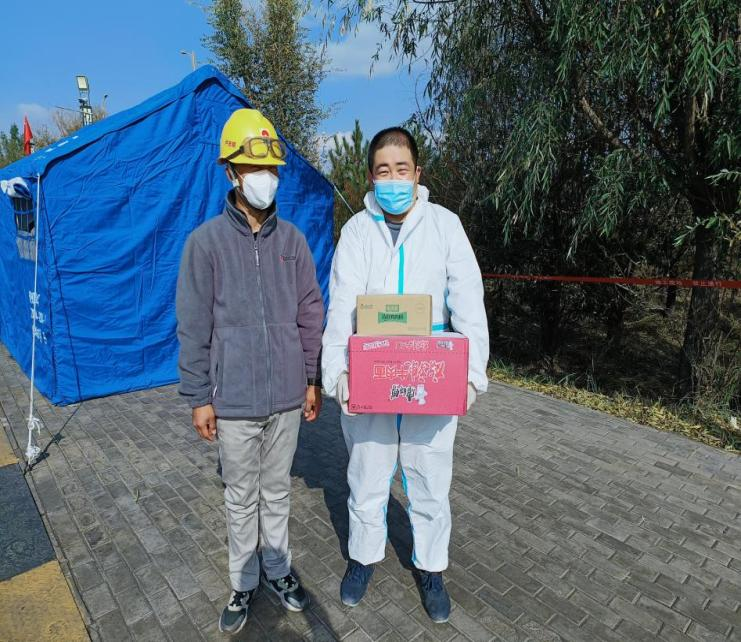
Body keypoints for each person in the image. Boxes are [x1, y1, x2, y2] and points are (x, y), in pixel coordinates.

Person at [322, 127, 489, 623]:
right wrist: (338, 373)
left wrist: (470, 376)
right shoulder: (357, 232)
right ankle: (363, 558)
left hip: (430, 373)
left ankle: (431, 567)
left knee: (430, 476)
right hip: (370, 374)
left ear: (417, 173)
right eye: (382, 170)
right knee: (366, 473)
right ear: (370, 178)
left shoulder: (445, 226)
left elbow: (469, 302)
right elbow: (341, 308)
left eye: (401, 169)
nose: (392, 179)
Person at [176, 108, 324, 635]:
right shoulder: (205, 243)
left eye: (272, 168)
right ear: (231, 172)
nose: (266, 178)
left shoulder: (293, 243)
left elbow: (310, 312)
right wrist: (199, 395)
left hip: (286, 396)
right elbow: (193, 323)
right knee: (240, 498)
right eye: (254, 167)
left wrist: (311, 379)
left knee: (277, 492)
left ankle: (279, 572)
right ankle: (243, 582)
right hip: (233, 400)